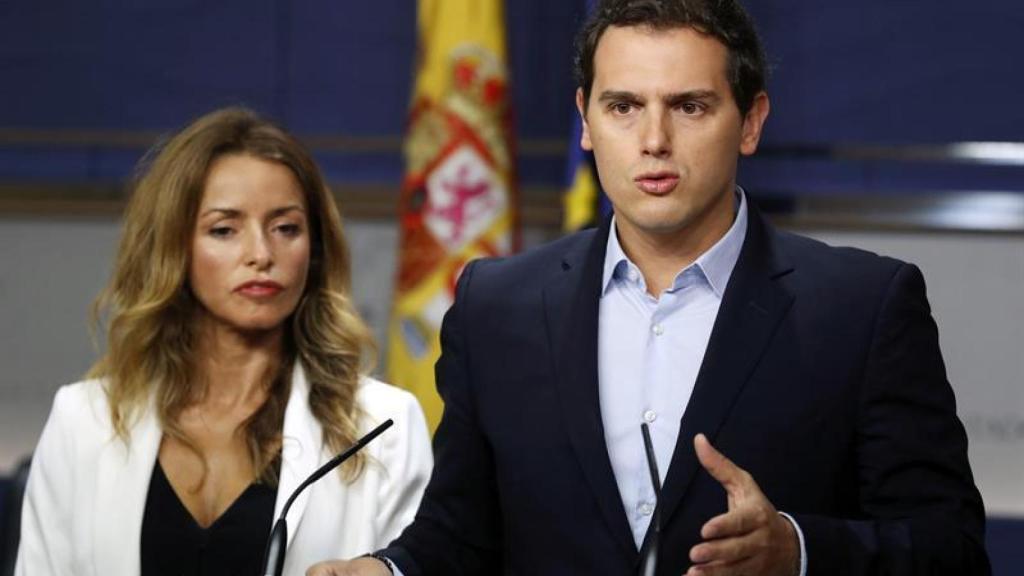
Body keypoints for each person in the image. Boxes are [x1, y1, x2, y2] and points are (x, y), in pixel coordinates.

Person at [309, 0, 990, 574]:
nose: (654, 139)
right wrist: (384, 570)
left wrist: (798, 549)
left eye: (690, 106)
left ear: (750, 121)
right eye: (624, 106)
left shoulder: (863, 306)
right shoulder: (497, 305)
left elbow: (950, 548)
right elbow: (458, 537)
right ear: (585, 118)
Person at [15, 107, 432, 576]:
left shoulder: (381, 426)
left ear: (314, 251)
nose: (261, 254)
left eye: (286, 228)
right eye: (224, 229)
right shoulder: (83, 421)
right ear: (174, 249)